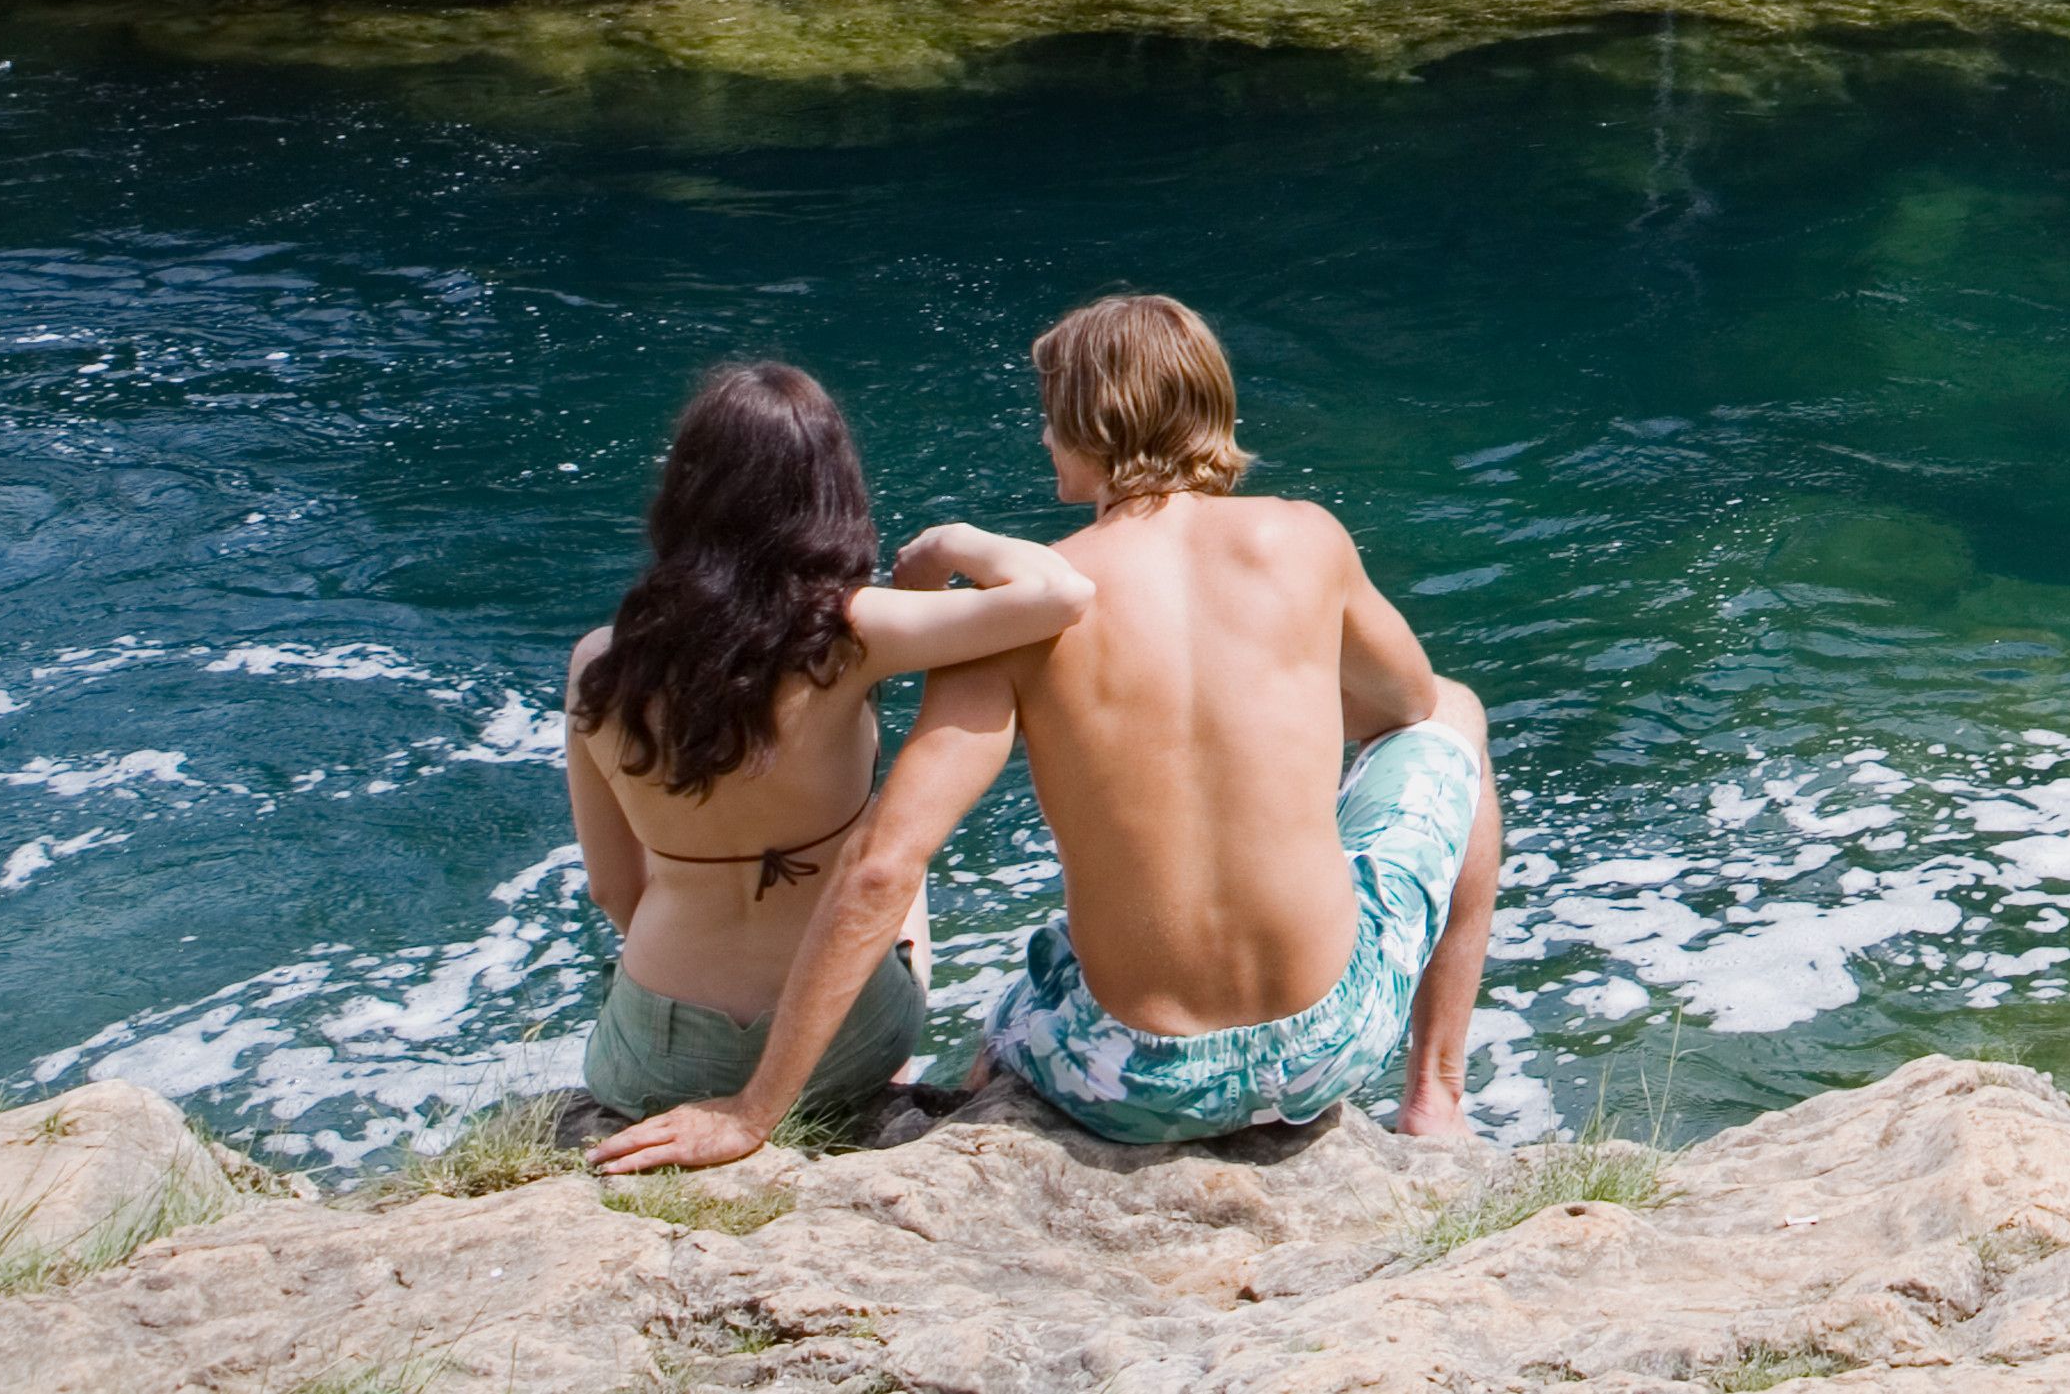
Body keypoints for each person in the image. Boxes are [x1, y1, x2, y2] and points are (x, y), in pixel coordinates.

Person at [592, 292, 1501, 1167]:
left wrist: (756, 1111)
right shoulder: (1308, 538)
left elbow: (883, 865)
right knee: (1457, 712)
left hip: (1128, 1084)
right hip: (1329, 1041)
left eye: (1049, 411)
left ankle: (988, 1084)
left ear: (1090, 421)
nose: (1040, 433)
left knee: (1026, 998)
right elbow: (1408, 705)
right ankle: (1434, 1095)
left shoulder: (1018, 618)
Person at [560, 359, 1099, 1132]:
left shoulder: (598, 663)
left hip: (656, 1051)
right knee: (893, 853)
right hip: (838, 1040)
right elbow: (1060, 592)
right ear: (827, 493)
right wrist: (952, 538)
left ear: (686, 494)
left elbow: (614, 888)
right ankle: (883, 1092)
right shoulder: (845, 634)